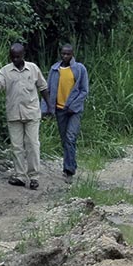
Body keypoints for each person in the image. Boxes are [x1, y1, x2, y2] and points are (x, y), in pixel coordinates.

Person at [0, 43, 49, 189]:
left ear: (23, 55)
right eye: (13, 57)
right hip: (14, 113)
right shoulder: (4, 71)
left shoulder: (33, 68)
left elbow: (43, 87)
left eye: (18, 57)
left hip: (32, 112)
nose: (15, 59)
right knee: (16, 146)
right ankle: (20, 176)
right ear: (10, 57)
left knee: (33, 144)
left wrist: (49, 106)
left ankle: (34, 176)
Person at [43, 44, 89, 179]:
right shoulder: (55, 69)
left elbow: (84, 90)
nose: (65, 56)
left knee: (70, 137)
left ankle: (69, 170)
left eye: (68, 54)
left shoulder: (79, 69)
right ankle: (70, 165)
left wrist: (73, 105)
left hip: (74, 110)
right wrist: (46, 109)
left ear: (72, 54)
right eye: (63, 54)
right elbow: (48, 90)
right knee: (65, 140)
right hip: (60, 109)